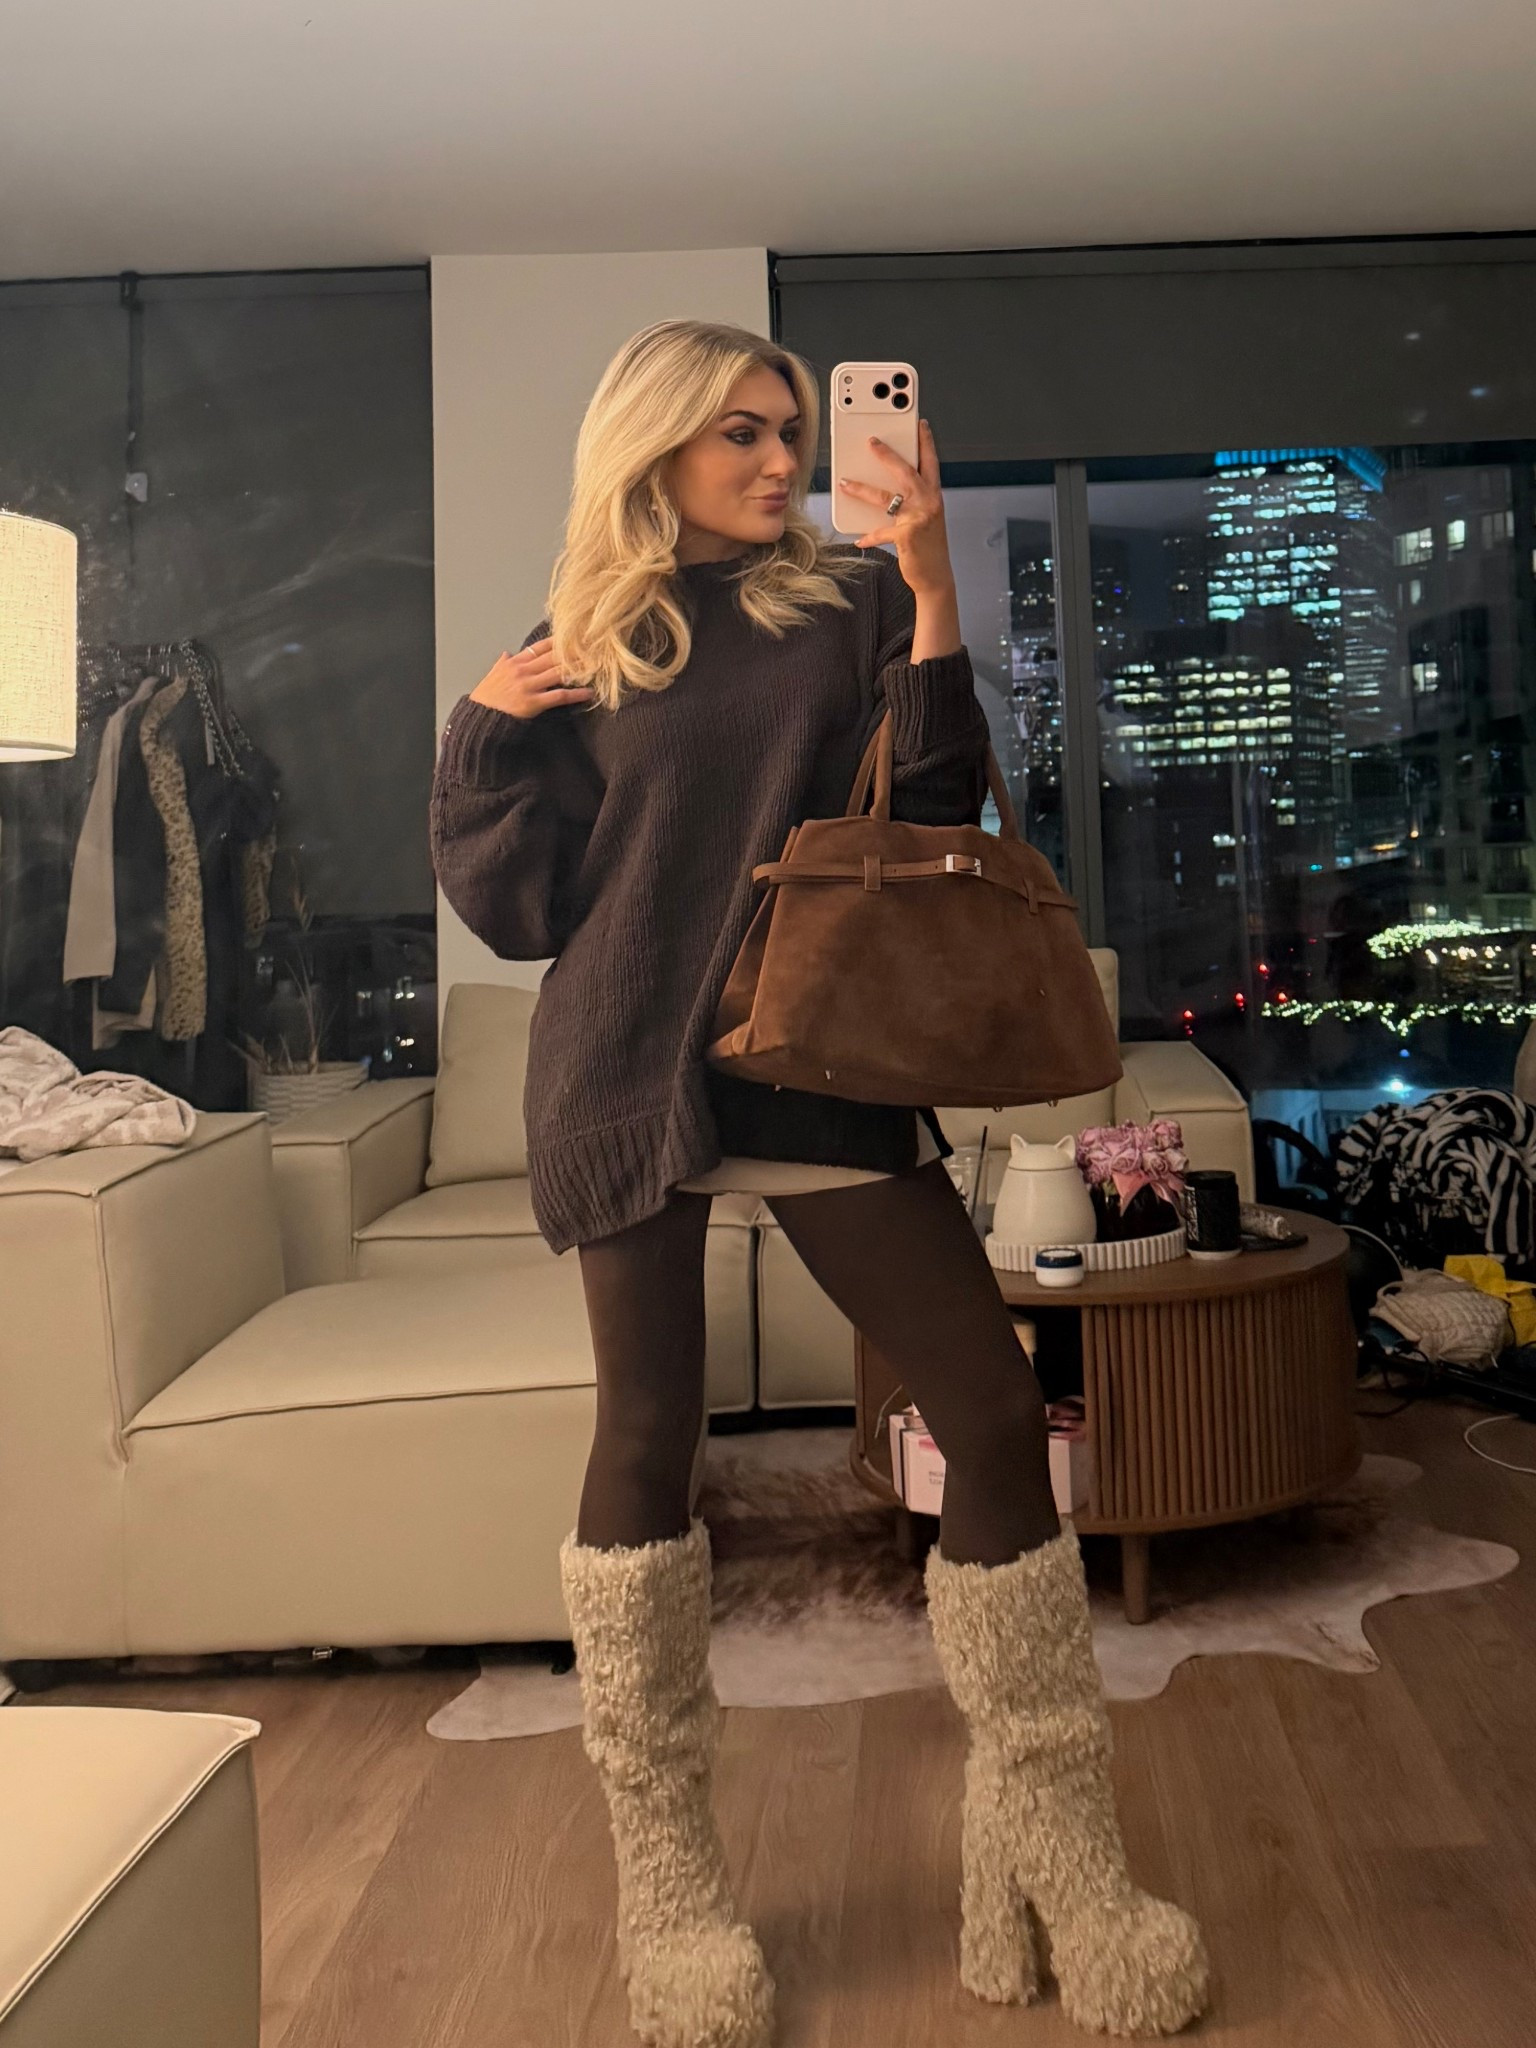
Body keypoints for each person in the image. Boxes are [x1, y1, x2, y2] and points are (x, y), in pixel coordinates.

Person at [429, 320, 1209, 2048]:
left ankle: (1051, 1844)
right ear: (651, 445)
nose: (781, 461)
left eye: (790, 430)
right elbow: (526, 912)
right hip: (626, 1062)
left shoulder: (843, 600)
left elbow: (927, 808)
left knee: (992, 1417)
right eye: (740, 434)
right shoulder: (586, 642)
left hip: (821, 1049)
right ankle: (670, 1883)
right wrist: (480, 735)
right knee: (649, 1439)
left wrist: (927, 586)